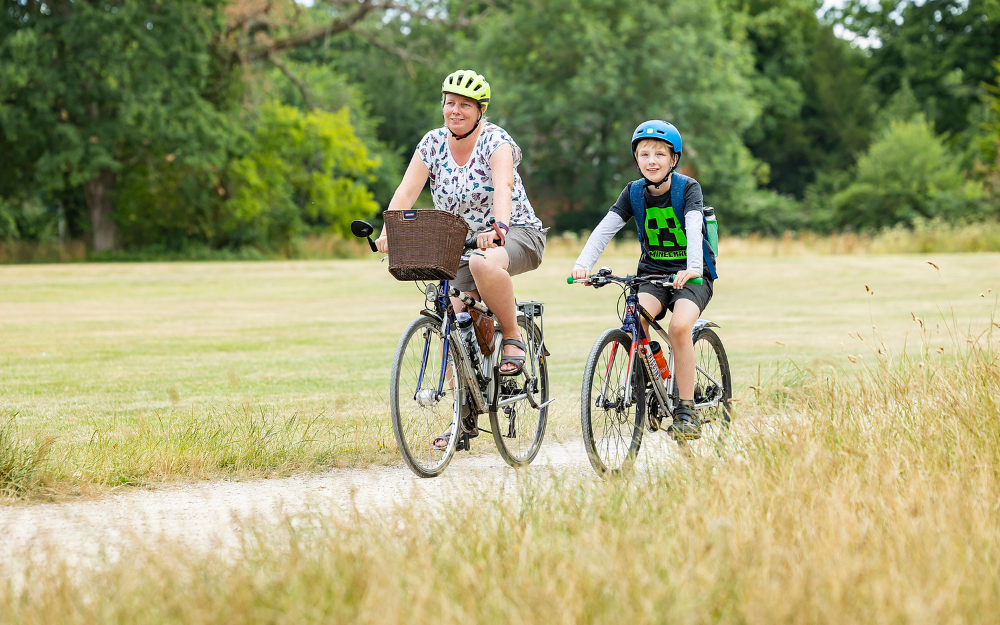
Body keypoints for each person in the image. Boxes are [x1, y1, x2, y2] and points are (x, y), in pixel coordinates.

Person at [376, 69, 547, 379]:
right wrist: (389, 230)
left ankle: (512, 337)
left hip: (517, 232)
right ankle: (463, 421)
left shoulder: (496, 141)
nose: (455, 111)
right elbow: (406, 191)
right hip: (462, 242)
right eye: (450, 102)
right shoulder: (432, 143)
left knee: (484, 264)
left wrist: (498, 230)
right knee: (452, 323)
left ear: (480, 111)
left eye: (465, 105)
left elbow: (503, 186)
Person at [571, 120, 716, 439]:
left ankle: (686, 409)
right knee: (635, 318)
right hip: (652, 274)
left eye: (660, 154)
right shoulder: (633, 192)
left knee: (679, 328)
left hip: (692, 276)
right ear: (636, 159)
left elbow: (693, 227)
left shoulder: (687, 187)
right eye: (645, 154)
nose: (652, 160)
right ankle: (654, 383)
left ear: (673, 159)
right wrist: (583, 264)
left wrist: (692, 266)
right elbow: (604, 229)